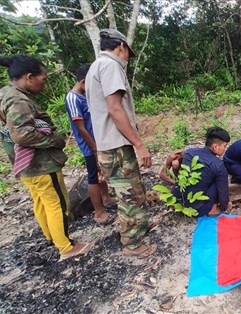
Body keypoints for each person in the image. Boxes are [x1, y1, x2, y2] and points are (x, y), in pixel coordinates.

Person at [0, 55, 91, 260]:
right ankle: (66, 247)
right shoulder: (17, 100)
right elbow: (21, 134)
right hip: (40, 164)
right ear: (29, 77)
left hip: (26, 166)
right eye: (43, 78)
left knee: (41, 201)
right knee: (57, 203)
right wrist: (54, 141)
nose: (44, 82)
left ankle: (52, 237)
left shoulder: (5, 94)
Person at [85, 29, 156, 258]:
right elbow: (115, 109)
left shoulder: (96, 66)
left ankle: (139, 226)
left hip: (110, 144)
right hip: (116, 144)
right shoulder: (110, 66)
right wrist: (139, 144)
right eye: (128, 53)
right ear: (121, 47)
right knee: (129, 194)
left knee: (131, 190)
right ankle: (132, 244)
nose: (127, 59)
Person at [65, 63, 117, 225]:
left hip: (98, 143)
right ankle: (99, 212)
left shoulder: (84, 97)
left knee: (100, 173)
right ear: (82, 82)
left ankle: (106, 198)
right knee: (93, 177)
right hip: (90, 146)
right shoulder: (73, 99)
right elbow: (80, 127)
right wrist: (94, 148)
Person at [171, 127, 231, 217]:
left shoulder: (189, 152)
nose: (224, 149)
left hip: (175, 200)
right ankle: (213, 209)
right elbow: (223, 193)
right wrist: (224, 206)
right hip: (197, 208)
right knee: (219, 182)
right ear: (215, 146)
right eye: (224, 146)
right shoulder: (218, 165)